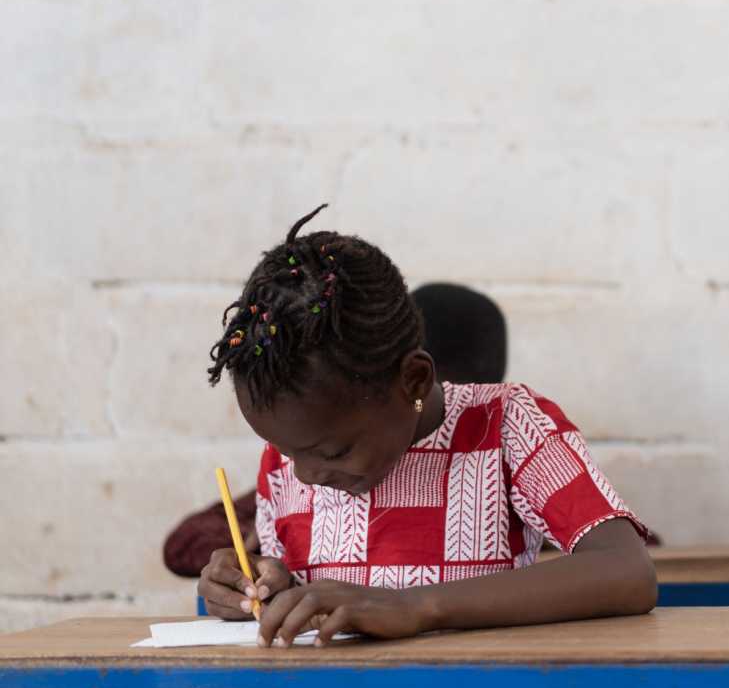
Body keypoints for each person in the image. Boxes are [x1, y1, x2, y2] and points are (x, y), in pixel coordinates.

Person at [196, 206, 655, 648]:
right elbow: (310, 599)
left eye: (333, 452)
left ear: (413, 379)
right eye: (285, 450)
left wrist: (416, 607)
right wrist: (264, 588)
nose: (303, 474)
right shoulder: (291, 457)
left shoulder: (508, 425)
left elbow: (626, 571)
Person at [163, 281, 512, 577]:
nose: (306, 474)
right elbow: (182, 547)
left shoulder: (506, 457)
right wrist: (253, 563)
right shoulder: (307, 468)